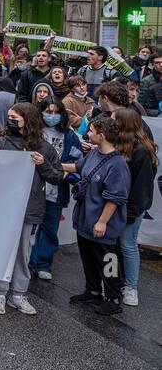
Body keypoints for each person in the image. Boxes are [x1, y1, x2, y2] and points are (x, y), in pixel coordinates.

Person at [0, 102, 64, 315]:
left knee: (23, 253)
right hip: (3, 207)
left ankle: (18, 294)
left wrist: (42, 164)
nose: (10, 120)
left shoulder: (44, 147)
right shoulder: (0, 141)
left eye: (14, 117)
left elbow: (57, 176)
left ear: (27, 120)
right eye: (9, 116)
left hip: (29, 208)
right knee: (2, 250)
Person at [64, 114, 130, 315]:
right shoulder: (94, 154)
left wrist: (102, 222)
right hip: (85, 220)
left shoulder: (117, 164)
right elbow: (78, 167)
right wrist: (50, 165)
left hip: (103, 225)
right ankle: (92, 290)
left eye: (91, 130)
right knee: (88, 258)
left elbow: (115, 198)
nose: (87, 132)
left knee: (108, 260)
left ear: (101, 135)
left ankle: (113, 296)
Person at [28, 97, 82, 283]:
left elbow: (78, 161)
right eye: (47, 112)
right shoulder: (33, 132)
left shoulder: (69, 136)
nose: (51, 116)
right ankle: (28, 261)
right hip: (32, 188)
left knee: (50, 228)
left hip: (56, 189)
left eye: (55, 112)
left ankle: (44, 264)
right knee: (31, 228)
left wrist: (67, 173)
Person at [112, 108, 156, 307]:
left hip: (130, 208)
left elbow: (142, 187)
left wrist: (131, 212)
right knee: (111, 247)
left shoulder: (141, 151)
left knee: (128, 245)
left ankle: (131, 287)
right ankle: (112, 281)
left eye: (114, 121)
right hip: (113, 205)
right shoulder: (117, 145)